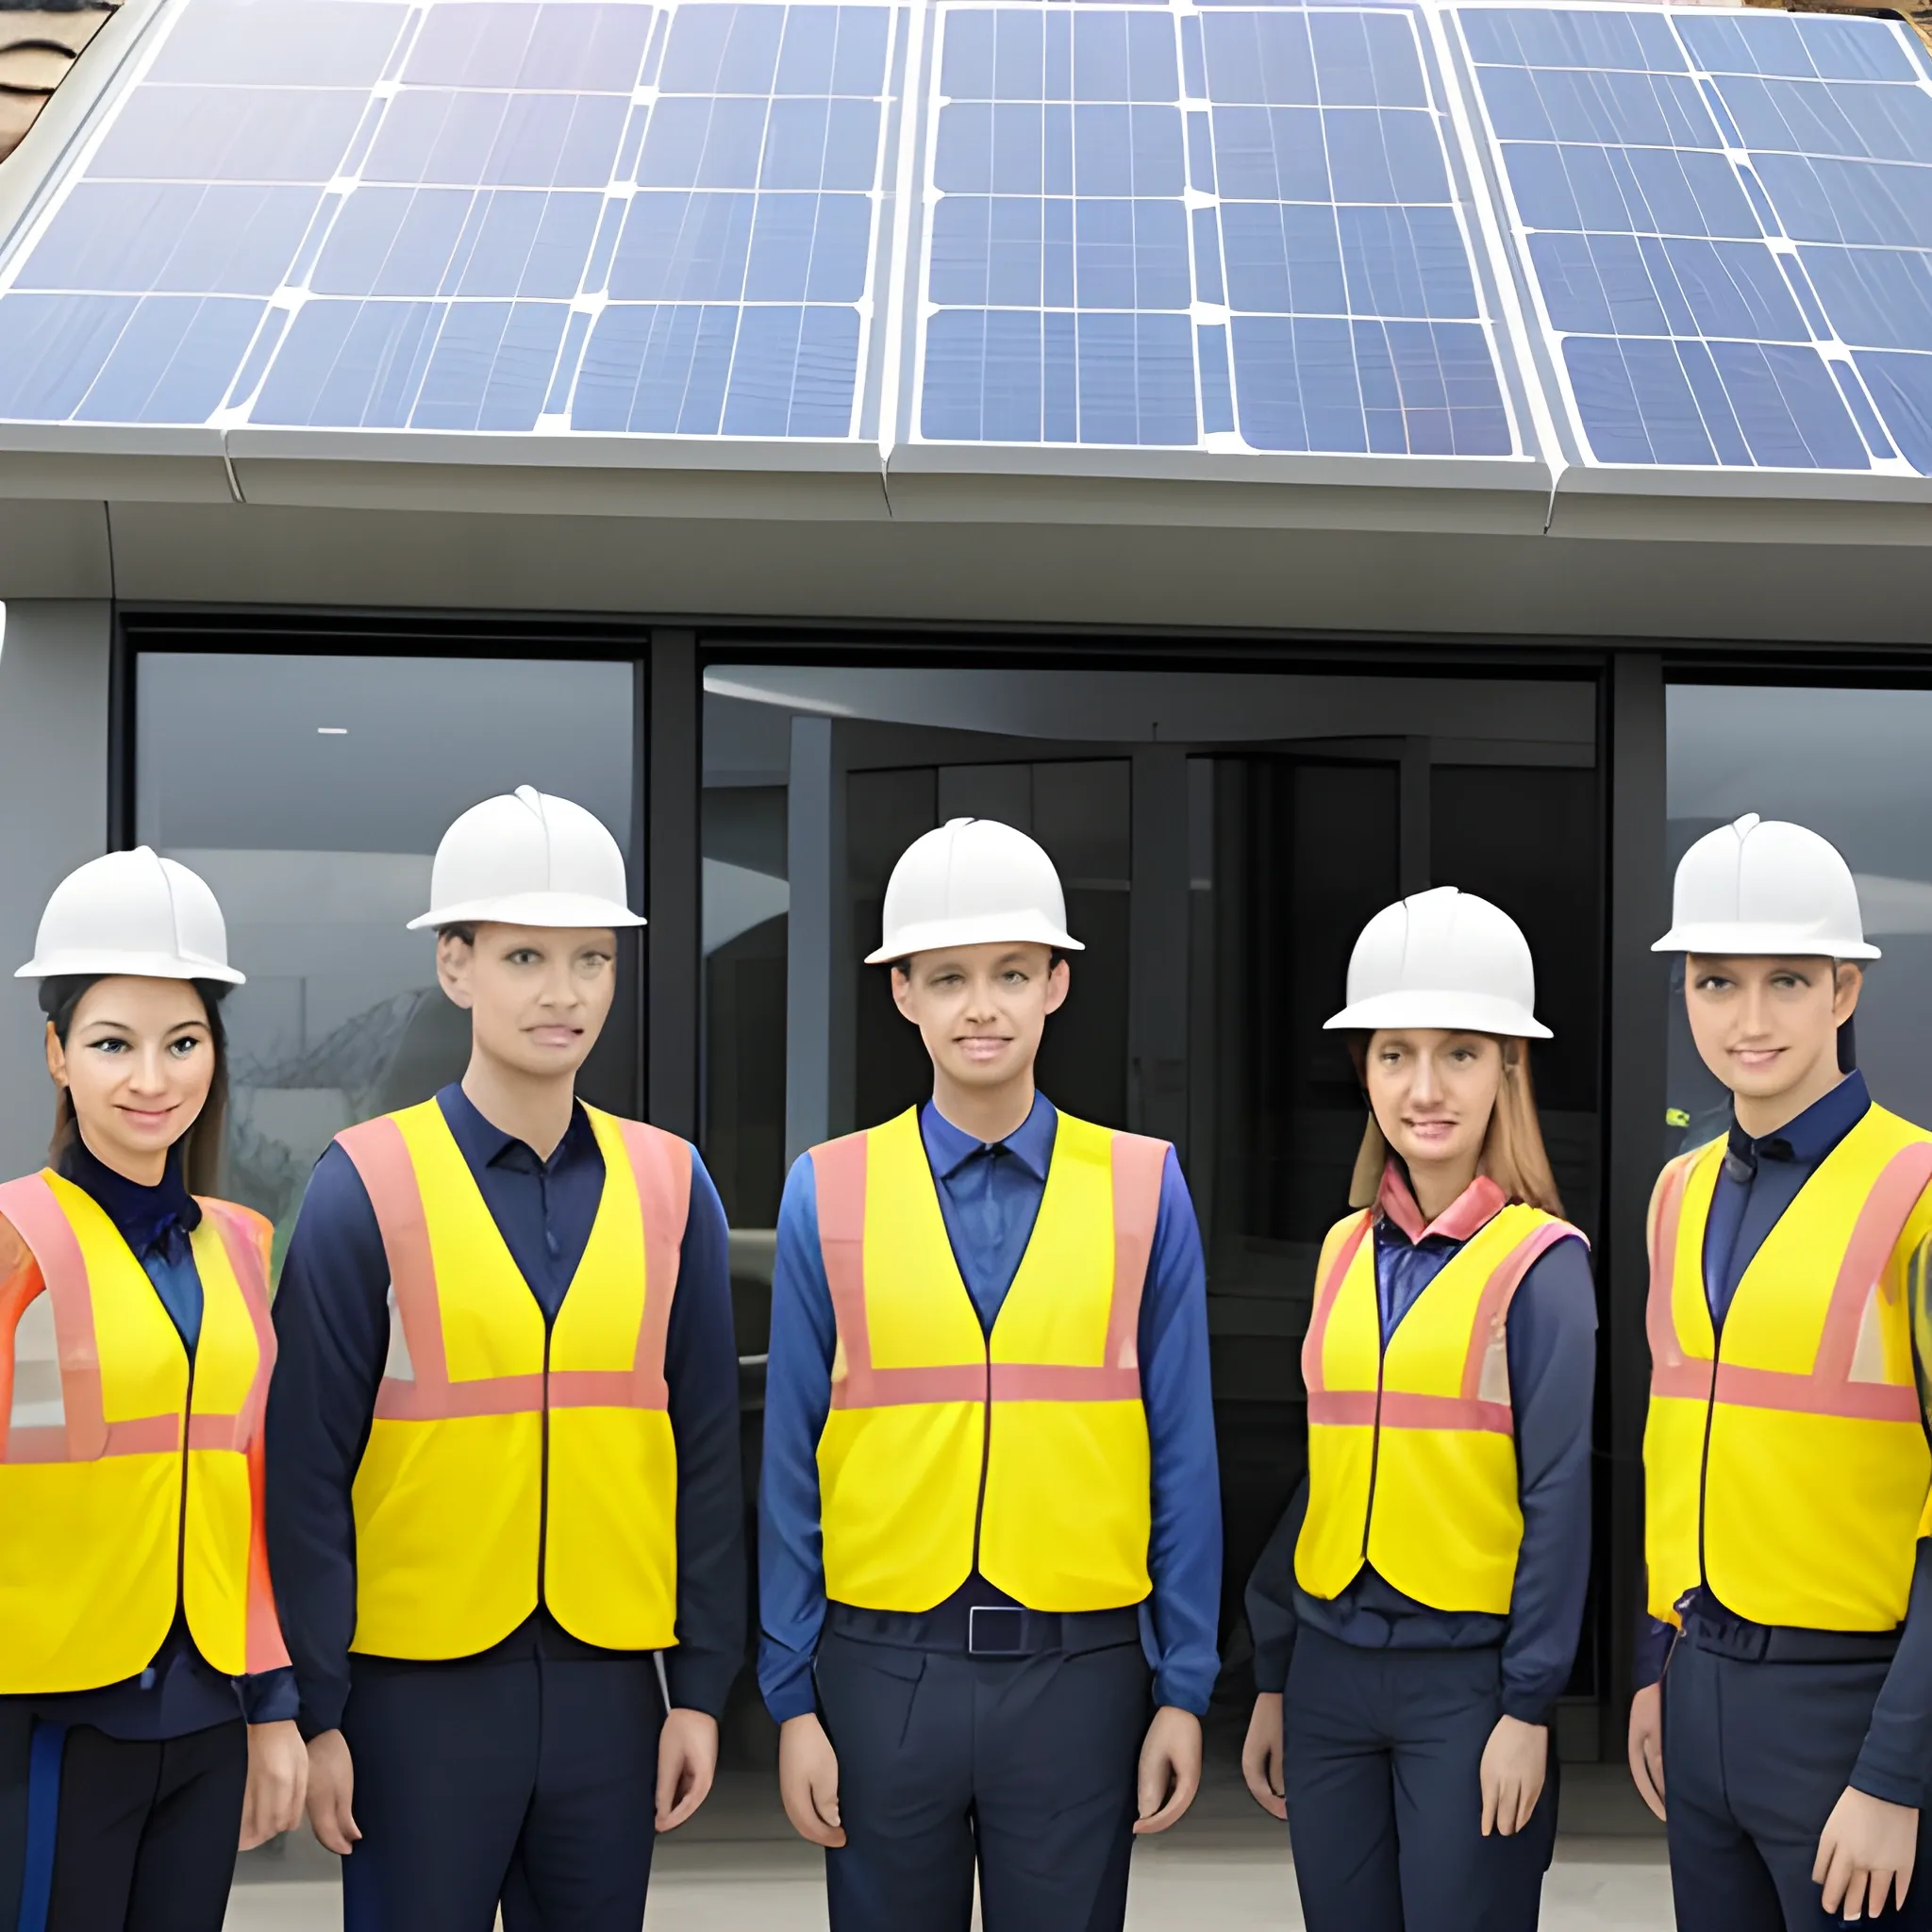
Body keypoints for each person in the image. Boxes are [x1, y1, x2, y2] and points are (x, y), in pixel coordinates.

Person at [264, 786, 743, 1932]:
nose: (564, 990)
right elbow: (303, 1474)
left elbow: (707, 1459)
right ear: (456, 965)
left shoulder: (673, 1185)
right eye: (526, 955)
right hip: (410, 1690)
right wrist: (314, 1709)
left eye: (591, 957)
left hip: (607, 1682)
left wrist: (701, 1689)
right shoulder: (360, 1184)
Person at [758, 816, 1221, 1932]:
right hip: (879, 1671)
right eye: (949, 976)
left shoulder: (1144, 1188)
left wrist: (1182, 1685)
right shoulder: (826, 1190)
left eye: (1011, 973)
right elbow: (788, 1459)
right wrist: (791, 1699)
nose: (981, 1005)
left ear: (1056, 984)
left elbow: (1182, 1456)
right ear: (900, 991)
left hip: (1080, 1671)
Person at [1242, 886, 1597, 1932]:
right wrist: (1272, 1673)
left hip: (1468, 1685)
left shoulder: (1542, 1264)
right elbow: (1326, 1472)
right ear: (1364, 1069)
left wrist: (1527, 1707)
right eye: (1393, 1052)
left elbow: (1559, 1499)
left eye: (1459, 1052)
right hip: (1328, 1674)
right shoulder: (1339, 1250)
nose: (1424, 1085)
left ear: (1506, 1068)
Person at [1631, 813, 1932, 1931]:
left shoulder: (1916, 1190)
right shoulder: (1676, 1190)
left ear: (1843, 990)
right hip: (1698, 1690)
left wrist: (1896, 1771)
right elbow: (1675, 1446)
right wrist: (1654, 1663)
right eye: (1714, 981)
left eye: (1786, 980)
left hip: (1848, 1708)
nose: (1746, 1018)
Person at [0, 848, 307, 1932]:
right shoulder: (10, 1237)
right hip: (50, 1719)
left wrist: (273, 1705)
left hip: (208, 1716)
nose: (151, 1077)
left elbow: (253, 1495)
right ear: (56, 1052)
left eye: (183, 1042)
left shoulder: (241, 1246)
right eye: (112, 1043)